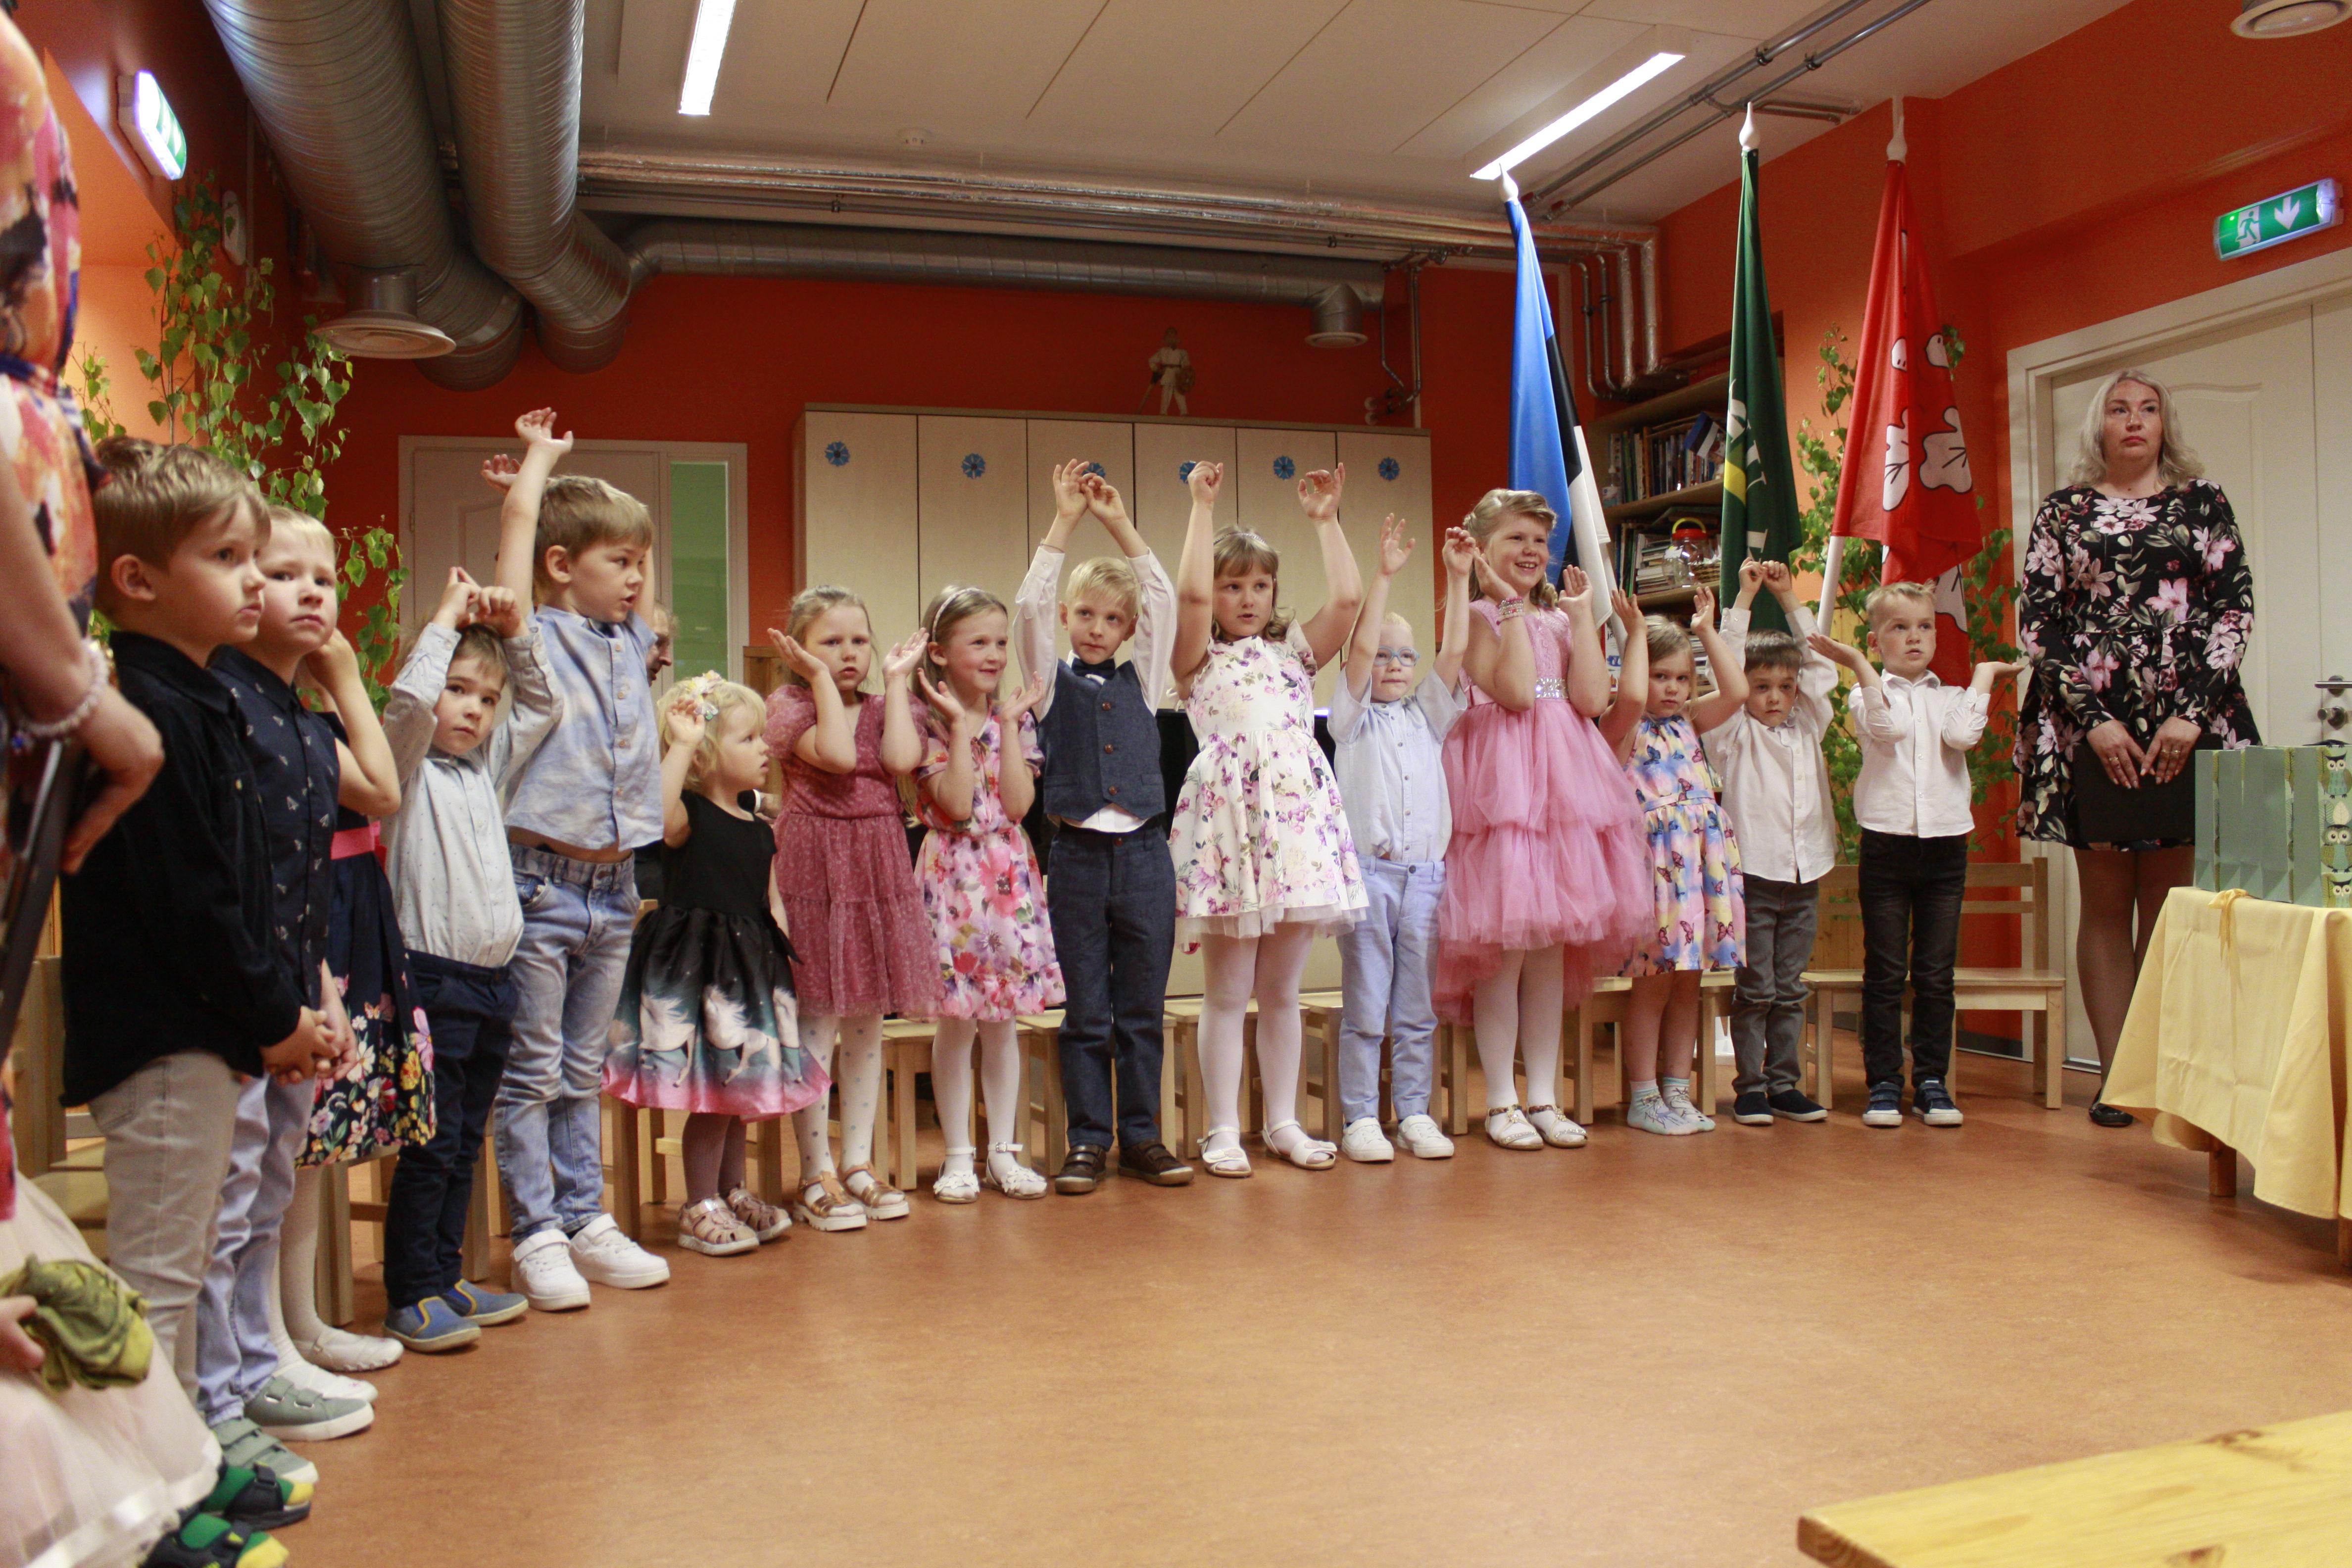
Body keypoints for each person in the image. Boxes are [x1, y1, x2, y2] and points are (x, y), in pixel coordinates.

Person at [61, 440, 340, 1481]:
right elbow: (194, 902)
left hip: (205, 1032)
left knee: (176, 1266)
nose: (255, 579)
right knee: (159, 1278)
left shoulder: (204, 696)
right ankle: (157, 1488)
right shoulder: (147, 706)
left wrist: (279, 1007)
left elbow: (242, 886)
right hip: (163, 1038)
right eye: (229, 558)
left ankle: (180, 1469)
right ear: (138, 580)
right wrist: (272, 1016)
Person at [198, 510, 400, 1465]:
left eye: (324, 576)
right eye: (284, 573)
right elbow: (230, 875)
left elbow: (376, 796)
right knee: (234, 1188)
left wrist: (320, 987)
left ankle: (262, 1354)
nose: (312, 589)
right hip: (239, 998)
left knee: (273, 1176)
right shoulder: (223, 702)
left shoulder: (300, 715)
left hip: (295, 981)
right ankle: (232, 1377)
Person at [2015, 369, 2258, 1127]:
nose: (2134, 420)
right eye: (2119, 409)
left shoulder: (2203, 502)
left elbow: (2234, 609)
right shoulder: (2063, 511)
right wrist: (2094, 720)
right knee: (2107, 901)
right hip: (2094, 727)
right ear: (2100, 425)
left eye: (2148, 409)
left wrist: (2191, 714)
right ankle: (2118, 1078)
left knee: (2169, 899)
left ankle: (2165, 1071)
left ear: (2164, 424)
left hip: (2189, 724)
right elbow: (2039, 625)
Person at [484, 407, 672, 1308]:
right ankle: (537, 1232)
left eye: (640, 563)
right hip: (541, 885)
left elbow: (644, 573)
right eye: (618, 562)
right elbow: (521, 544)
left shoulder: (631, 639)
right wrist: (538, 466)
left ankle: (584, 1216)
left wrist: (629, 533)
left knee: (580, 1067)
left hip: (614, 888)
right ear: (562, 567)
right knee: (531, 1068)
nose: (635, 578)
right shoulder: (536, 639)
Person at [376, 568, 561, 1350]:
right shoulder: (404, 765)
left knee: (463, 1143)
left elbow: (545, 706)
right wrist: (445, 623)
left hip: (493, 984)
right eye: (459, 690)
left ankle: (445, 1276)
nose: (473, 710)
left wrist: (516, 634)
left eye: (487, 699)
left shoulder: (488, 770)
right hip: (434, 979)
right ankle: (410, 1292)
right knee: (432, 1142)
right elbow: (407, 708)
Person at [1168, 460, 1366, 1176]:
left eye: (1259, 585)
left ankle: (1284, 1122)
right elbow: (1189, 594)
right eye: (1233, 585)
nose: (1247, 598)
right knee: (1227, 993)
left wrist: (1326, 522)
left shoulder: (1292, 654)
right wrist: (1201, 508)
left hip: (1294, 832)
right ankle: (1223, 1129)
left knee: (1283, 991)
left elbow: (1348, 601)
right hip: (1232, 833)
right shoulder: (1195, 659)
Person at [1434, 491, 1649, 1151]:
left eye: (1539, 541)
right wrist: (1505, 603)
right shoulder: (1476, 615)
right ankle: (1501, 1100)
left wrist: (1582, 620)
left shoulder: (1557, 617)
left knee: (1552, 949)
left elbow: (1589, 698)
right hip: (1504, 788)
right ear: (1481, 548)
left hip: (1564, 785)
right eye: (1516, 539)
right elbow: (1518, 694)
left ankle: (1545, 1098)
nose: (1532, 552)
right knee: (1507, 951)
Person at [1012, 461, 1192, 1194]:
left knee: (1141, 1011)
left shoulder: (1144, 681)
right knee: (1086, 1012)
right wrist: (1065, 522)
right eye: (1085, 614)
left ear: (1130, 630)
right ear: (1068, 616)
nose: (1097, 629)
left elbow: (1163, 598)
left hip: (1145, 857)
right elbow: (1027, 608)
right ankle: (1088, 1138)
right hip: (1078, 859)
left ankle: (1142, 1137)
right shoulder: (1047, 683)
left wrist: (1118, 521)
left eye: (1113, 620)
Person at [605, 676, 829, 1253]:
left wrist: (781, 959)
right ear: (706, 756)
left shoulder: (760, 827)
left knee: (737, 1096)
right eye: (748, 739)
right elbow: (656, 816)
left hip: (751, 971)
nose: (764, 748)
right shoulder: (690, 818)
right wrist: (681, 744)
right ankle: (698, 1202)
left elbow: (771, 902)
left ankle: (731, 1190)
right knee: (714, 1094)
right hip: (699, 976)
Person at [1813, 585, 2025, 1129]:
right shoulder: (1865, 694)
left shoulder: (1952, 696)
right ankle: (1884, 1083)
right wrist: (1859, 666)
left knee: (1935, 972)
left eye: (1925, 626)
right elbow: (1892, 728)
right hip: (1887, 845)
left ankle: (1932, 1081)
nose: (1915, 637)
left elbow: (1962, 737)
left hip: (1946, 847)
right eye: (1900, 627)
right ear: (1875, 641)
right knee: (1885, 971)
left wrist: (1983, 677)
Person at [765, 587, 941, 1229]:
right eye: (829, 642)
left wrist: (894, 682)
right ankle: (815, 1172)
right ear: (799, 651)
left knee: (867, 1023)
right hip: (814, 867)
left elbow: (901, 760)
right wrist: (816, 680)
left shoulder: (891, 705)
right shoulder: (789, 706)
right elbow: (839, 757)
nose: (848, 653)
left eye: (859, 640)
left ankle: (859, 1163)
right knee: (816, 1022)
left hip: (877, 864)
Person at [909, 588, 1064, 1201]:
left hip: (1007, 877)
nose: (996, 654)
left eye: (1001, 642)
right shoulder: (924, 721)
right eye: (979, 642)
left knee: (1002, 1024)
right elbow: (954, 802)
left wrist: (1006, 724)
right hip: (952, 876)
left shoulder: (1015, 719)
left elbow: (1019, 805)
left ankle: (1004, 1151)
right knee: (956, 1025)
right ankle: (957, 1156)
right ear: (940, 653)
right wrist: (959, 725)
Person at [1328, 517, 1471, 1163]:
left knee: (1416, 1006)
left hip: (1425, 880)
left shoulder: (1428, 717)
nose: (1393, 665)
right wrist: (1383, 576)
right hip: (1371, 876)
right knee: (1366, 1004)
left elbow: (1455, 652)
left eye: (1405, 656)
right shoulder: (1350, 719)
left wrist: (1458, 578)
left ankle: (1414, 1111)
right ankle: (1361, 1116)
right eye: (1383, 655)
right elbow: (1361, 650)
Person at [1600, 589, 1748, 1136]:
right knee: (1653, 983)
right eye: (1660, 676)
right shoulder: (1624, 725)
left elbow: (1737, 691)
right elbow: (1632, 698)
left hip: (1700, 866)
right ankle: (1643, 1097)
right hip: (1658, 872)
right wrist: (1635, 635)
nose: (1672, 689)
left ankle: (1676, 1090)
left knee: (1690, 983)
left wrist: (1707, 631)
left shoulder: (1689, 721)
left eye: (1682, 678)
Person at [1707, 560, 1836, 1127]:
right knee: (1756, 989)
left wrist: (1790, 600)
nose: (1776, 698)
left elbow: (1821, 674)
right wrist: (1744, 599)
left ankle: (1786, 1085)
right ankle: (1751, 1088)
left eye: (1786, 687)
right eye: (1762, 688)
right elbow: (1727, 673)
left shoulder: (1809, 725)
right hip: (1756, 879)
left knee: (1790, 989)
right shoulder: (1732, 733)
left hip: (1805, 877)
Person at [1148, 328, 1191, 416]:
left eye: (1173, 336)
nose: (1172, 338)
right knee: (1166, 394)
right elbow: (1151, 361)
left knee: (1180, 394)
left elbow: (1186, 365)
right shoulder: (1162, 352)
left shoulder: (1183, 353)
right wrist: (1157, 370)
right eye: (1169, 336)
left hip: (1179, 375)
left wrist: (1185, 374)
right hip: (1167, 374)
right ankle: (1163, 413)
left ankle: (1184, 413)